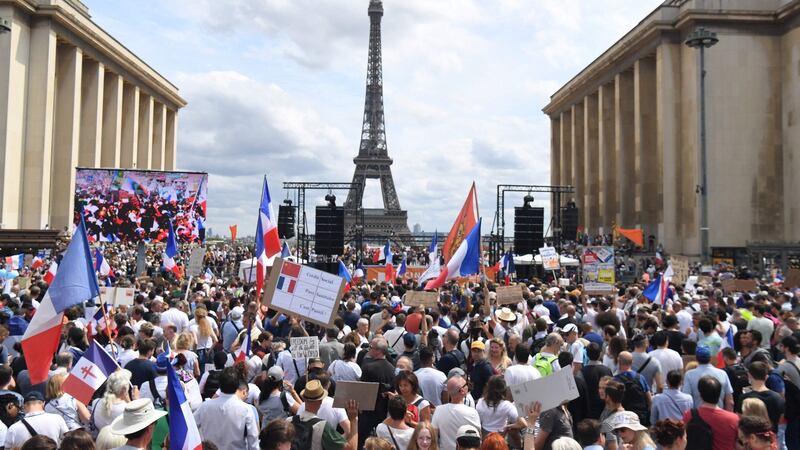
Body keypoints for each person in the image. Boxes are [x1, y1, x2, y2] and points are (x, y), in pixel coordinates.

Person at [193, 367, 260, 450]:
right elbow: (253, 440)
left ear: (219, 385)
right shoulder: (246, 409)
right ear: (237, 385)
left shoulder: (205, 406)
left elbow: (191, 427)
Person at [290, 379, 359, 450]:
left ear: (304, 399)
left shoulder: (288, 421)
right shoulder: (322, 427)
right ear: (320, 401)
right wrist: (354, 419)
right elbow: (352, 448)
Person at [680, 376, 739, 450]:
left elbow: (681, 438)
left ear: (700, 395)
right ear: (719, 394)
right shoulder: (733, 419)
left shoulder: (689, 415)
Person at [359, 336, 396, 449]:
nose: (369, 349)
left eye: (371, 347)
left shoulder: (368, 368)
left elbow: (362, 391)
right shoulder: (392, 368)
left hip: (368, 414)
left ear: (378, 350)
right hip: (384, 414)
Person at [431, 375, 481, 450]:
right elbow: (478, 439)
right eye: (466, 384)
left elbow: (433, 437)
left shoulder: (438, 410)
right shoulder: (472, 413)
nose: (468, 385)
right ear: (462, 390)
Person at [735, 361, 784, 432]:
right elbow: (780, 420)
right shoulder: (777, 398)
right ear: (766, 377)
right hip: (770, 438)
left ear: (749, 375)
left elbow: (739, 419)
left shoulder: (744, 398)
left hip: (750, 438)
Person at [681, 346, 734, 410]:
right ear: (710, 358)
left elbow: (686, 399)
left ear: (696, 358)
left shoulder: (689, 374)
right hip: (719, 416)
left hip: (697, 417)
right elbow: (730, 401)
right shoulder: (722, 373)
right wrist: (728, 417)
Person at [582, 343, 612, 420]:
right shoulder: (607, 370)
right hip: (604, 409)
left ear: (587, 355)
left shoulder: (582, 372)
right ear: (600, 353)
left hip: (587, 411)